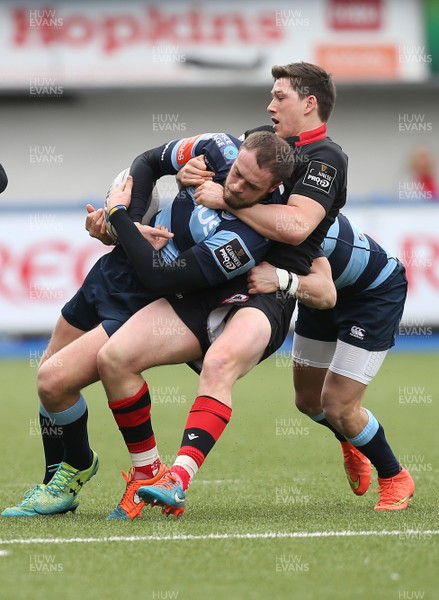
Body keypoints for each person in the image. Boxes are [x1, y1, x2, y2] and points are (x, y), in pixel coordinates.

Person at [96, 61, 349, 518]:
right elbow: (166, 163)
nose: (270, 105)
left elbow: (293, 227)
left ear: (309, 104)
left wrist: (221, 195)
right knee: (109, 360)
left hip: (266, 287)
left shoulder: (327, 158)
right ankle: (146, 474)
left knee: (225, 365)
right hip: (214, 280)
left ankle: (177, 480)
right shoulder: (253, 141)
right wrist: (195, 177)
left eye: (280, 97)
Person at [2, 131, 294, 518]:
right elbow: (147, 162)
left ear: (273, 187)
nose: (234, 183)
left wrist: (120, 218)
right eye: (236, 171)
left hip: (145, 298)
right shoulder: (219, 148)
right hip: (114, 270)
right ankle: (62, 480)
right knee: (52, 387)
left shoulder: (248, 240)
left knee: (53, 380)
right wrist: (133, 222)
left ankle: (117, 471)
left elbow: (162, 278)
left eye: (249, 184)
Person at [247, 213, 415, 511]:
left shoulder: (292, 216)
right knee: (309, 401)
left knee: (338, 405)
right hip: (319, 292)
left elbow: (325, 292)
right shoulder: (244, 209)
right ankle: (352, 440)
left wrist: (282, 280)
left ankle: (394, 476)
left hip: (371, 295)